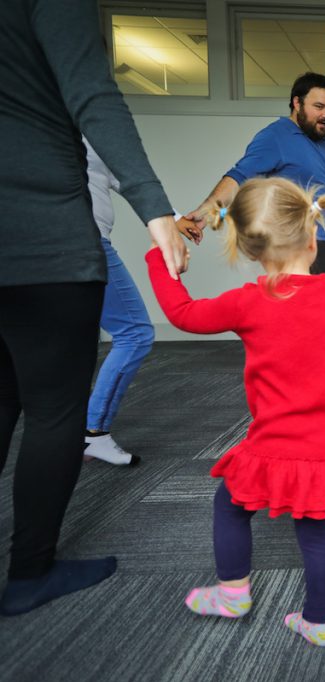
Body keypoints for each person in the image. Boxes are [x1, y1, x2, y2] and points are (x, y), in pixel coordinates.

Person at [146, 178, 325, 647]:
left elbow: (182, 314)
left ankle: (233, 592)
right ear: (313, 239)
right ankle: (319, 622)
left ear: (252, 250)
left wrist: (161, 258)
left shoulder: (247, 301)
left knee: (229, 506)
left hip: (272, 444)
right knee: (318, 537)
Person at [0, 0, 186, 616]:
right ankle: (30, 572)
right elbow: (94, 96)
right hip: (46, 239)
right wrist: (157, 211)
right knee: (55, 413)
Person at [82, 137, 198, 466]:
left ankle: (67, 429)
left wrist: (170, 217)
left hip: (32, 245)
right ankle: (93, 434)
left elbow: (123, 176)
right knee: (134, 333)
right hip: (86, 241)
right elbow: (128, 173)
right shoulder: (88, 121)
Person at [186, 72, 325, 281]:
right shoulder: (275, 137)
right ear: (297, 103)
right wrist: (207, 210)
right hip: (300, 245)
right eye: (318, 107)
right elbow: (240, 176)